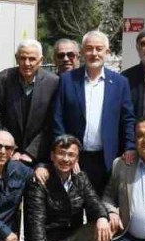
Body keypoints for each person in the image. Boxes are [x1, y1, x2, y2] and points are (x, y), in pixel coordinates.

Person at [23, 135, 111, 241]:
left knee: (104, 226)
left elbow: (94, 202)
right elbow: (36, 224)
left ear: (77, 159)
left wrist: (102, 217)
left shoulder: (80, 178)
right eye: (61, 154)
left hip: (71, 239)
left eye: (71, 155)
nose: (65, 159)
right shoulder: (40, 180)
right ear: (52, 156)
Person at [53, 30, 136, 195]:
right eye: (89, 49)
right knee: (71, 210)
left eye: (99, 49)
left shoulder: (120, 83)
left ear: (107, 52)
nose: (94, 53)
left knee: (100, 210)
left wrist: (130, 146)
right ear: (82, 52)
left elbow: (127, 118)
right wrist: (65, 153)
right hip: (74, 157)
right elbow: (58, 118)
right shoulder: (67, 80)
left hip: (106, 158)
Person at [0, 39, 60, 166]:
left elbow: (51, 123)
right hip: (7, 155)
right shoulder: (1, 81)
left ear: (41, 60)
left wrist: (31, 152)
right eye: (23, 58)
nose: (27, 63)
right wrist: (12, 148)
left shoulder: (53, 83)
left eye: (32, 59)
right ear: (16, 58)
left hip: (40, 157)